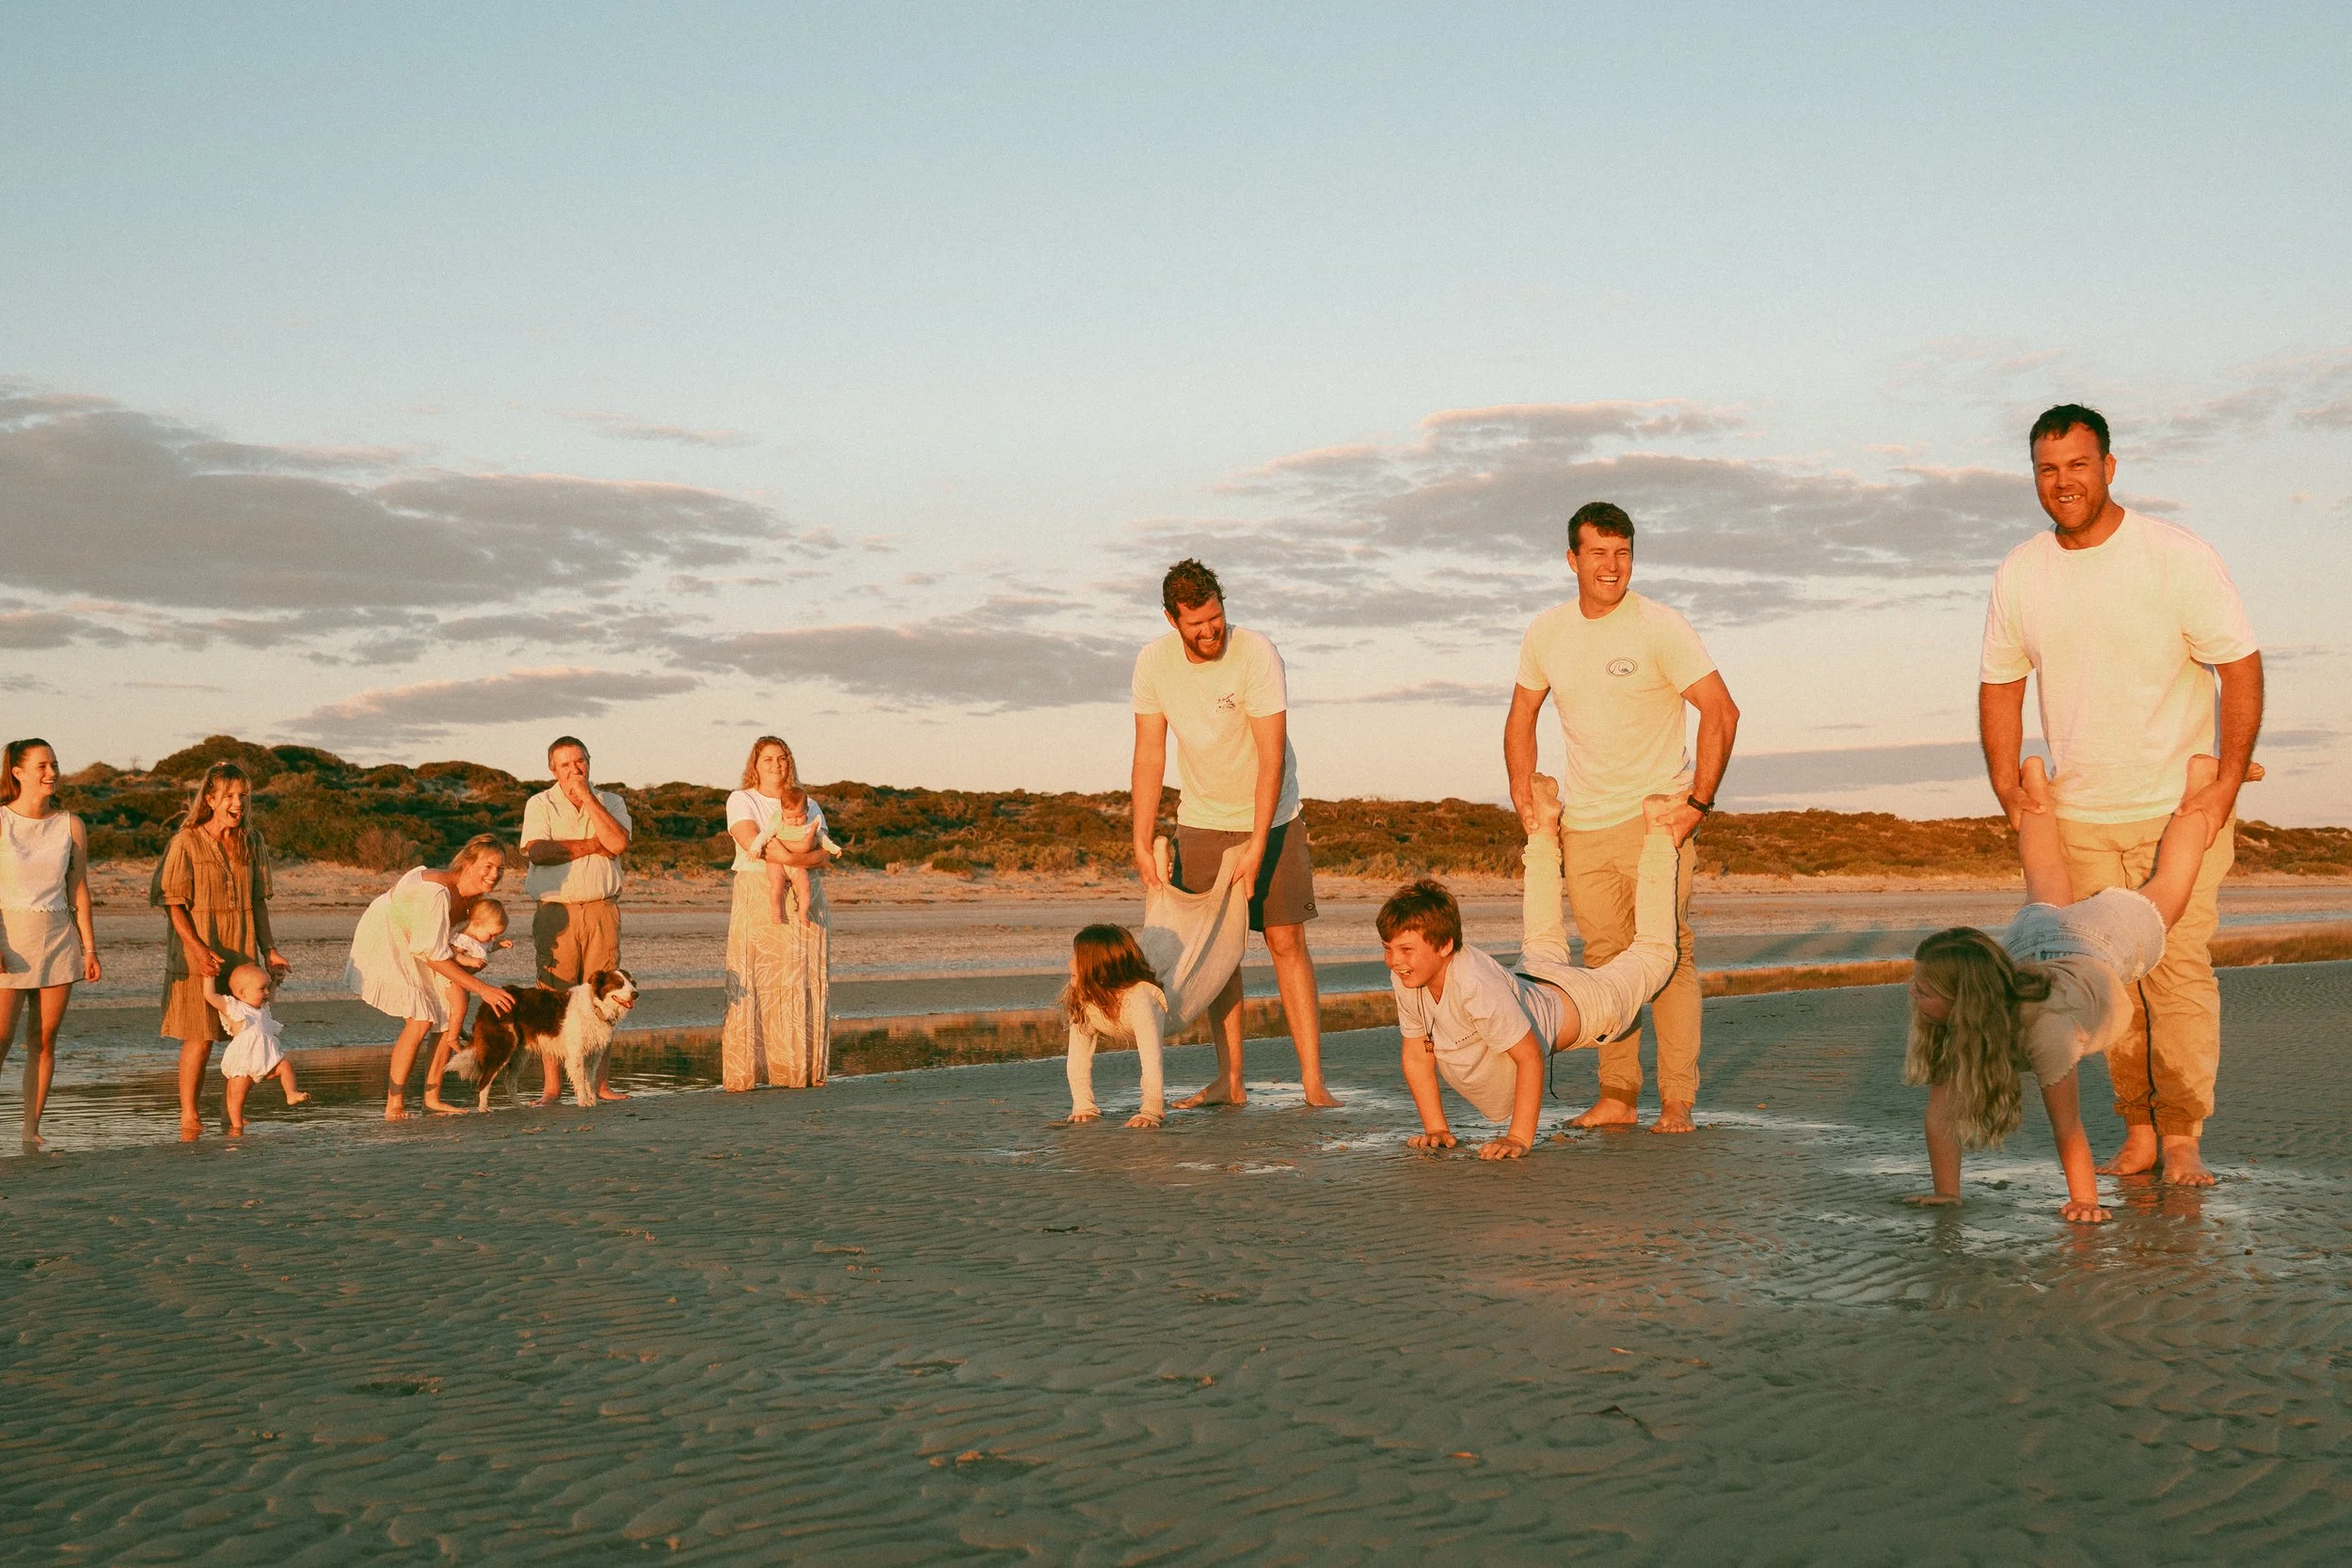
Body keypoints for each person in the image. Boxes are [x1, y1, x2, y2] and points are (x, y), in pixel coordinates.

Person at [1979, 404, 2261, 1186]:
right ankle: (2136, 1129)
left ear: (2109, 465)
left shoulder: (2174, 557)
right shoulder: (2021, 572)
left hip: (2178, 808)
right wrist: (2009, 784)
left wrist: (2224, 787)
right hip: (2079, 815)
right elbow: (2000, 681)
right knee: (2103, 985)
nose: (2062, 481)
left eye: (2077, 464)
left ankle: (2182, 1136)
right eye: (2047, 468)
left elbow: (2239, 665)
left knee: (2177, 977)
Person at [1904, 757, 2233, 1223]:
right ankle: (2036, 787)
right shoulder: (1953, 1016)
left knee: (2170, 889)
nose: (1912, 997)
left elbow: (2069, 1126)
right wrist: (1947, 1194)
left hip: (2100, 943)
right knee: (2044, 877)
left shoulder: (2047, 1030)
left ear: (1965, 1000)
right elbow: (1940, 1115)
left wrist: (2086, 1201)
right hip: (2032, 943)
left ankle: (2200, 792)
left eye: (1922, 990)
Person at [1504, 500, 1739, 1134]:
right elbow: (1521, 715)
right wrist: (1525, 797)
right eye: (1599, 553)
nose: (1612, 566)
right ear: (1572, 559)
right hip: (1585, 823)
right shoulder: (1547, 632)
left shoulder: (1660, 626)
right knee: (1606, 961)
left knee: (1669, 957)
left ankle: (1678, 1101)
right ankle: (1618, 1094)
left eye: (1623, 552)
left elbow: (1721, 710)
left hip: (1656, 821)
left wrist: (1696, 804)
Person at [1381, 780, 1683, 1159]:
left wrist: (1519, 1138)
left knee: (1655, 952)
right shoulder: (1407, 976)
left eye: (1406, 949)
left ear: (1445, 946)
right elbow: (1416, 1053)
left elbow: (1529, 1057)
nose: (1394, 960)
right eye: (1388, 949)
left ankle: (1659, 832)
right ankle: (1543, 827)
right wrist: (1436, 1128)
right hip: (1531, 978)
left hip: (1588, 1006)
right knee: (1540, 934)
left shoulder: (1475, 983)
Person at [1131, 558, 1337, 1110]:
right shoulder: (1153, 664)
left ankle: (1313, 1082)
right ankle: (1231, 1080)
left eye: (1216, 616)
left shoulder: (1257, 653)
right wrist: (1140, 838)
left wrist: (1258, 842)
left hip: (1273, 817)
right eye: (1196, 622)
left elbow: (1271, 756)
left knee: (1285, 941)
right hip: (1200, 820)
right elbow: (1150, 754)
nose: (1210, 630)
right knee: (1220, 956)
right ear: (1174, 620)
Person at [1061, 837, 1248, 1128]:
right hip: (1137, 985)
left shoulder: (1140, 999)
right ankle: (1161, 879)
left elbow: (1151, 1057)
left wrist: (1151, 1110)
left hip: (1172, 1008)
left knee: (1195, 949)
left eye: (1077, 959)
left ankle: (1218, 875)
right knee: (1159, 937)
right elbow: (1077, 1060)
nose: (1070, 964)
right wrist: (1084, 1105)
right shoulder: (1083, 997)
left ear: (1099, 970)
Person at [153, 762, 290, 1140]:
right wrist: (196, 948)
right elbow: (173, 902)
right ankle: (189, 1114)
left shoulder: (252, 841)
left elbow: (258, 901)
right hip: (199, 946)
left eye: (243, 796)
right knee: (200, 1035)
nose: (238, 803)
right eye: (229, 795)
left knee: (244, 1034)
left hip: (242, 946)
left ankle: (231, 1114)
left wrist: (270, 951)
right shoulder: (186, 841)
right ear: (210, 799)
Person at [342, 833, 516, 1119]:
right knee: (420, 1018)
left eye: (500, 868)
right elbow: (433, 954)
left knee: (445, 1015)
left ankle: (431, 1099)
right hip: (391, 933)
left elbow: (454, 942)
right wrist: (483, 989)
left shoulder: (476, 899)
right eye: (488, 866)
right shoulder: (436, 892)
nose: (494, 874)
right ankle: (394, 1104)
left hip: (428, 941)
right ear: (468, 863)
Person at [519, 736, 633, 1105]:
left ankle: (599, 1085)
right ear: (553, 769)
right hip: (557, 911)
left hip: (601, 908)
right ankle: (552, 1089)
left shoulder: (611, 801)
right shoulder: (540, 803)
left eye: (579, 761)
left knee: (606, 997)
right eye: (565, 764)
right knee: (553, 997)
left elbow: (616, 843)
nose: (574, 769)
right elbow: (539, 851)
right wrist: (589, 845)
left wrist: (587, 799)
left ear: (589, 762)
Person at [0, 738, 102, 1149]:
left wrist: (90, 949)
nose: (52, 773)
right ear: (17, 772)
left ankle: (30, 1129)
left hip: (58, 939)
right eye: (42, 765)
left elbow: (77, 890)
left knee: (43, 1040)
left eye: (55, 764)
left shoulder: (70, 824)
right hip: (9, 940)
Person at [720, 736, 834, 1090]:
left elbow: (824, 854)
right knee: (757, 982)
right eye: (768, 758)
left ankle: (797, 1071)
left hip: (804, 894)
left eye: (782, 758)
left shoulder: (808, 802)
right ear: (755, 764)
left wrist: (795, 861)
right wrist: (799, 857)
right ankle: (748, 1074)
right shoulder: (742, 799)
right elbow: (753, 842)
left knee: (801, 980)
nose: (776, 764)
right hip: (760, 892)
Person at [422, 896, 512, 1103]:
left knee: (464, 1005)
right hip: (451, 978)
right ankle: (453, 1037)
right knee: (461, 1005)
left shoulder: (482, 939)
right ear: (477, 924)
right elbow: (452, 955)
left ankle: (457, 1027)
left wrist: (500, 945)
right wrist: (469, 960)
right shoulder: (462, 938)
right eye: (492, 934)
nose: (491, 939)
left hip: (463, 981)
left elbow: (489, 947)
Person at [204, 963, 309, 1135]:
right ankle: (236, 1126)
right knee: (236, 1096)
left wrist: (274, 980)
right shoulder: (235, 1008)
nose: (267, 993)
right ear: (242, 993)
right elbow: (210, 995)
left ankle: (291, 1093)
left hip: (266, 1061)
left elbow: (271, 997)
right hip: (244, 1064)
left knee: (286, 1066)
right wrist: (209, 975)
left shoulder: (262, 1009)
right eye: (262, 989)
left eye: (268, 988)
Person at [755, 773, 841, 930]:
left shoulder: (810, 824)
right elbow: (765, 835)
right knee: (776, 885)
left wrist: (834, 848)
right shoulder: (778, 821)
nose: (795, 820)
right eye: (790, 817)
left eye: (800, 816)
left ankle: (803, 912)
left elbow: (822, 839)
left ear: (807, 810)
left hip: (797, 864)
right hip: (776, 862)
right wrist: (755, 848)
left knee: (804, 885)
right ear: (782, 812)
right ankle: (776, 911)